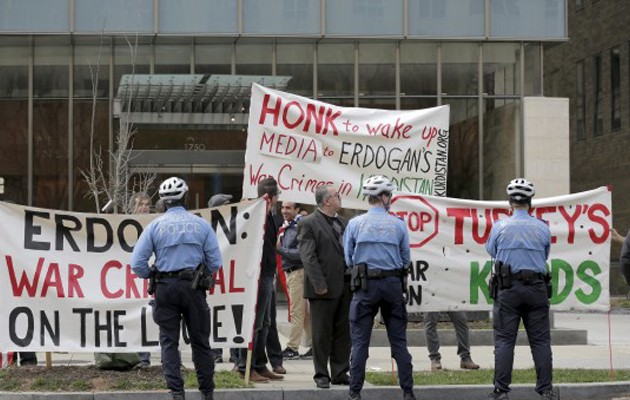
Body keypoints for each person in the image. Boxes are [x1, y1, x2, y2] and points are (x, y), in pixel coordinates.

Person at [131, 177, 222, 400]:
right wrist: (202, 274)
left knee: (169, 342)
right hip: (193, 287)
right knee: (201, 342)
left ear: (163, 202)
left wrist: (151, 274)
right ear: (185, 197)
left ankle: (177, 394)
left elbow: (137, 264)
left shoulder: (154, 226)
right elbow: (215, 262)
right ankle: (207, 393)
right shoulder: (201, 224)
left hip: (165, 288)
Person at [343, 175, 415, 400]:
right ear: (384, 197)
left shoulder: (355, 223)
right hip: (393, 285)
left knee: (360, 343)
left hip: (365, 286)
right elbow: (406, 259)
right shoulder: (398, 224)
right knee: (399, 343)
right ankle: (408, 392)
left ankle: (355, 393)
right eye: (389, 196)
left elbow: (348, 258)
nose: (390, 199)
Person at [485, 178, 556, 400]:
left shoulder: (500, 226)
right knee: (541, 341)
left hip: (508, 289)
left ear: (509, 203)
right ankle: (546, 391)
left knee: (505, 341)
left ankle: (501, 391)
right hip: (537, 289)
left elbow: (491, 251)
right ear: (530, 203)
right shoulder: (542, 227)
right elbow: (544, 254)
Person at [298, 184, 351, 389]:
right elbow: (308, 257)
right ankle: (322, 374)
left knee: (342, 332)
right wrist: (319, 284)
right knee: (321, 333)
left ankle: (340, 372)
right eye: (337, 195)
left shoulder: (344, 223)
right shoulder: (309, 223)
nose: (340, 198)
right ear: (327, 200)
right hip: (323, 288)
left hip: (346, 286)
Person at [236, 177, 284, 382]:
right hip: (259, 275)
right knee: (255, 323)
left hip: (267, 273)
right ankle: (244, 366)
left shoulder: (270, 215)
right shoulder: (256, 215)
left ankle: (259, 363)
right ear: (272, 197)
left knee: (265, 322)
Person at [277, 201, 313, 360]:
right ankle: (314, 346)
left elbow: (301, 253)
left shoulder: (298, 226)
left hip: (297, 272)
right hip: (292, 272)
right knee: (304, 313)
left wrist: (279, 249)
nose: (284, 211)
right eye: (283, 207)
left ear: (297, 209)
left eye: (288, 208)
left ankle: (292, 347)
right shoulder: (288, 226)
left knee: (296, 312)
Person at [206, 193, 234, 365]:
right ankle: (215, 351)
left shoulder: (235, 226)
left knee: (231, 314)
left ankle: (233, 350)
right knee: (214, 316)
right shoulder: (208, 228)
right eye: (227, 204)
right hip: (214, 279)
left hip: (231, 278)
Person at [132, 191, 153, 368]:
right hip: (131, 281)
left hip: (151, 277)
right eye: (141, 204)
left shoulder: (156, 223)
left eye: (147, 204)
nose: (144, 208)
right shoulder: (125, 226)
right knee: (139, 319)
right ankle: (143, 358)